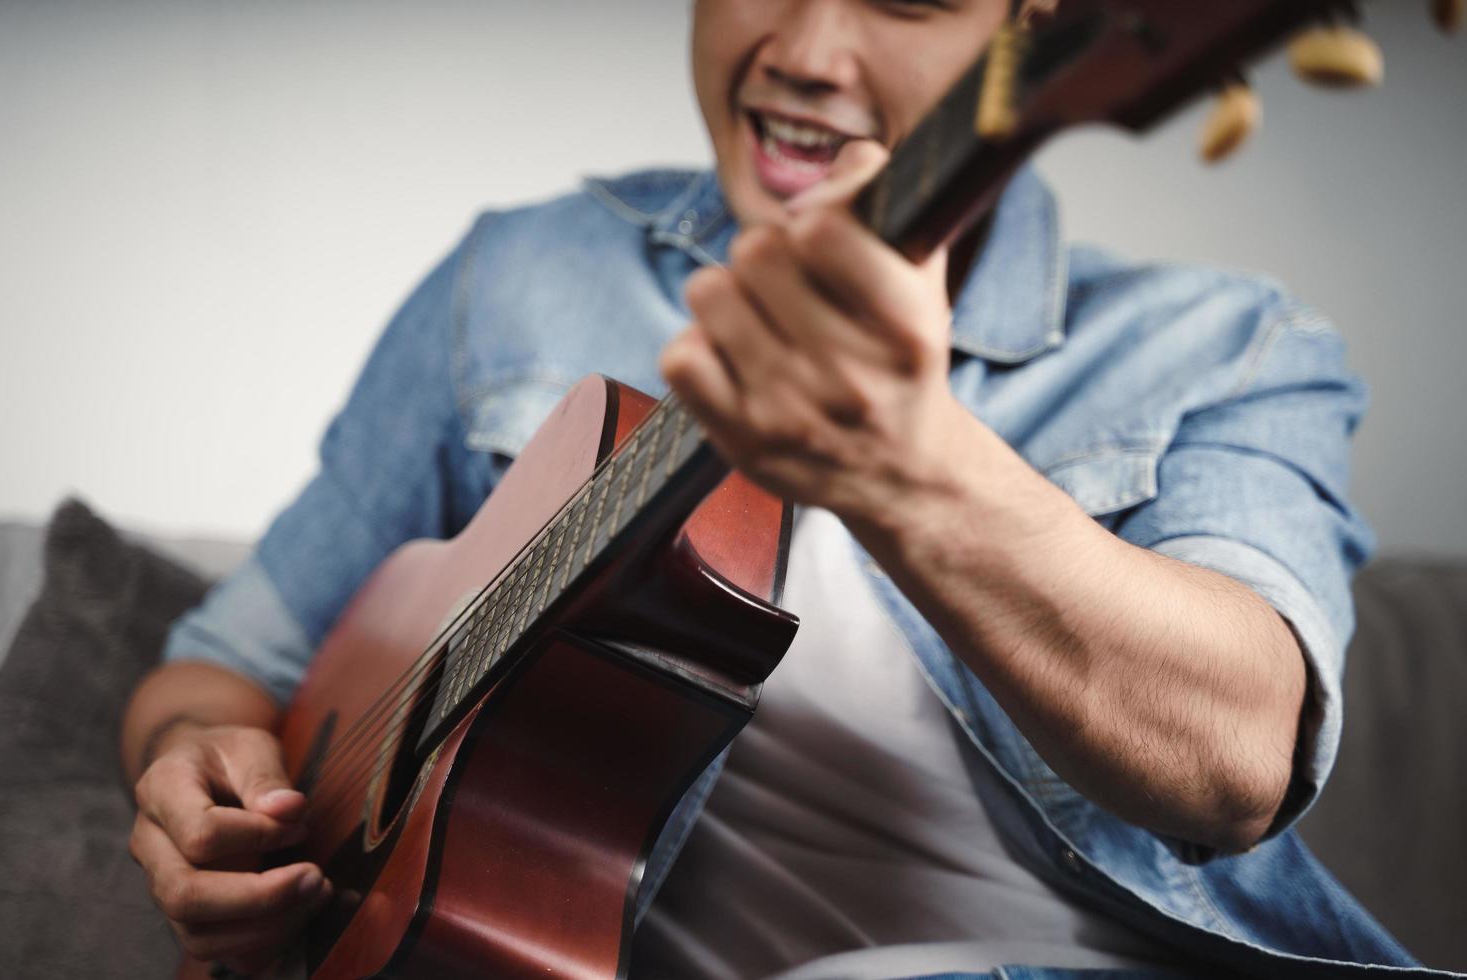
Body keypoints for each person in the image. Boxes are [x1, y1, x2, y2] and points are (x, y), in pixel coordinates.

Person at [119, 2, 1445, 978]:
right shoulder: (518, 275)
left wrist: (912, 470)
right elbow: (228, 662)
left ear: (1037, 27)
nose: (804, 50)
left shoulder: (1222, 346)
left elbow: (1236, 767)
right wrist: (194, 773)